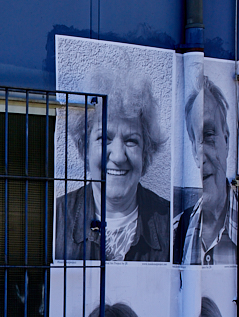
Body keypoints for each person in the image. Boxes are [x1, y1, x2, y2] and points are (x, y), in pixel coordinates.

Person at [54, 72, 169, 262]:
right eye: (104, 138)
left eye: (131, 140)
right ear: (85, 148)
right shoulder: (56, 216)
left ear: (145, 152)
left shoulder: (171, 222)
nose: (118, 156)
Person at [173, 76, 239, 265]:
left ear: (227, 141)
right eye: (196, 141)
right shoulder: (176, 230)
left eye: (209, 135)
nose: (202, 154)